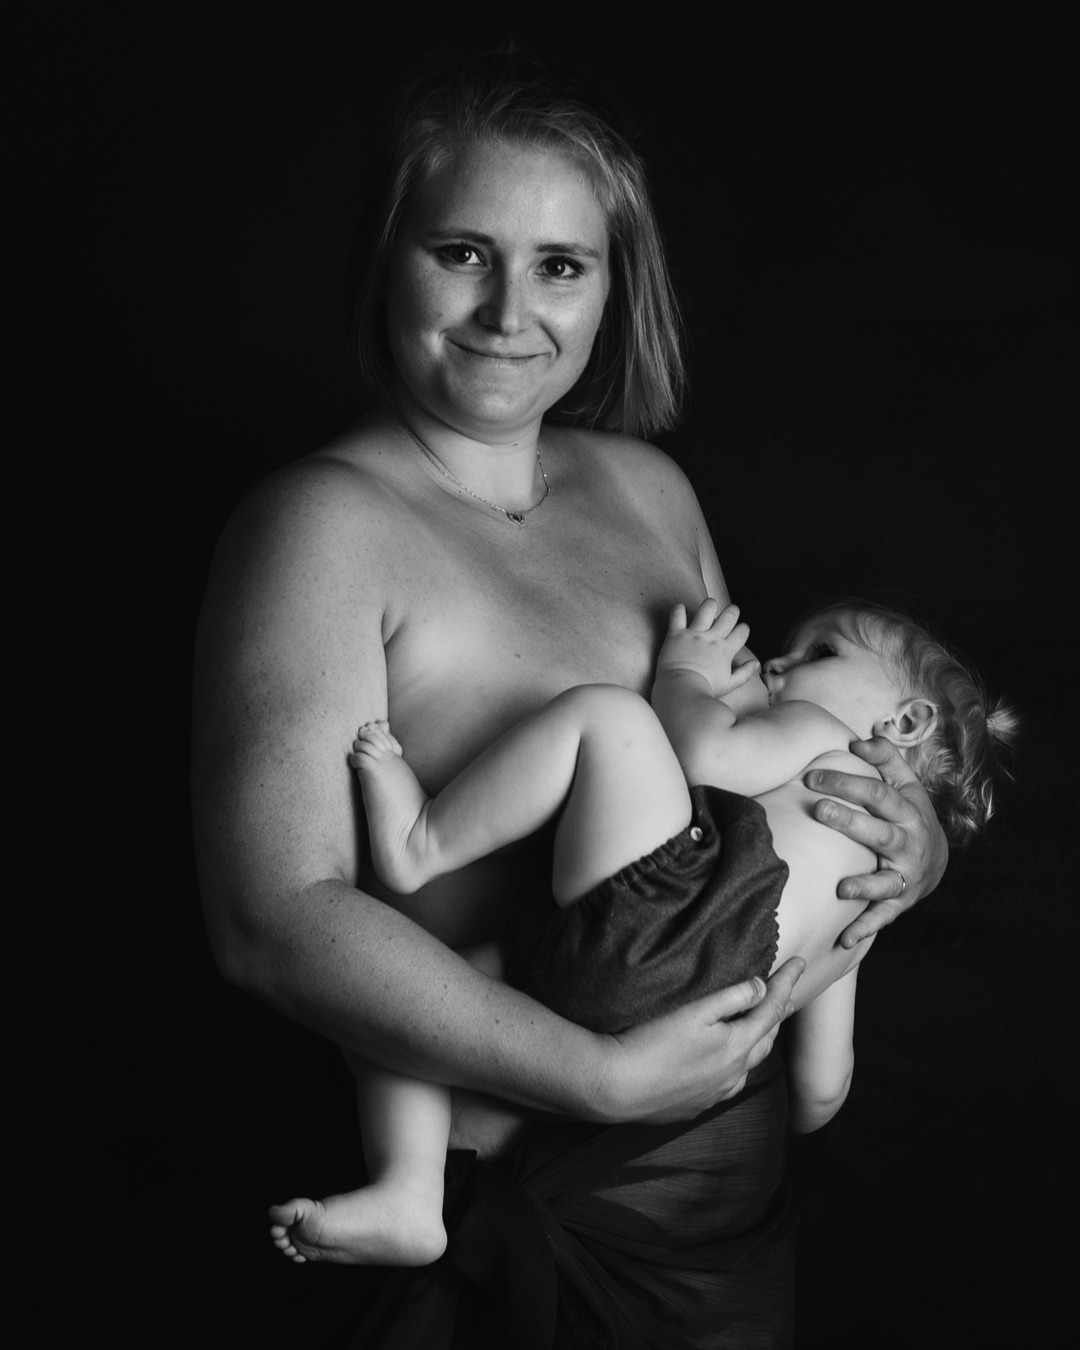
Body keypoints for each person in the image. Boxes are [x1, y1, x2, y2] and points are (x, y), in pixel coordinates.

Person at [192, 49, 949, 1346]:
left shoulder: (652, 492)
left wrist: (902, 845)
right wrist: (595, 1077)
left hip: (721, 1204)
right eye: (460, 252)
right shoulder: (317, 525)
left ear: (614, 287)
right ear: (386, 258)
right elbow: (273, 921)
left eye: (559, 265)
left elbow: (739, 789)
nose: (507, 312)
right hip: (517, 1208)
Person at [268, 597, 1015, 1269]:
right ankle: (408, 1203)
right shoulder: (867, 913)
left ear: (903, 724)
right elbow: (821, 1092)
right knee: (417, 1000)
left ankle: (422, 840)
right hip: (695, 1031)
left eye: (821, 652)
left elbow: (705, 756)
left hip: (669, 922)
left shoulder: (833, 740)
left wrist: (687, 676)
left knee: (610, 722)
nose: (779, 663)